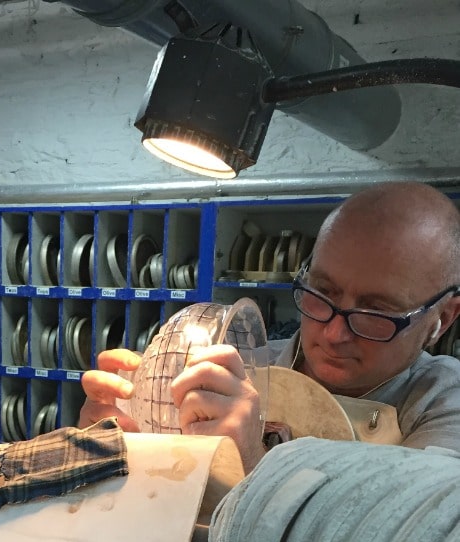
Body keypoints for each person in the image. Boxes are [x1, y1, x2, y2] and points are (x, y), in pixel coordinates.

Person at [79, 182, 460, 472]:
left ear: (441, 319)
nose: (334, 334)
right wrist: (105, 447)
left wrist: (250, 460)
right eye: (322, 293)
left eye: (376, 313)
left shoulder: (443, 406)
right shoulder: (234, 367)